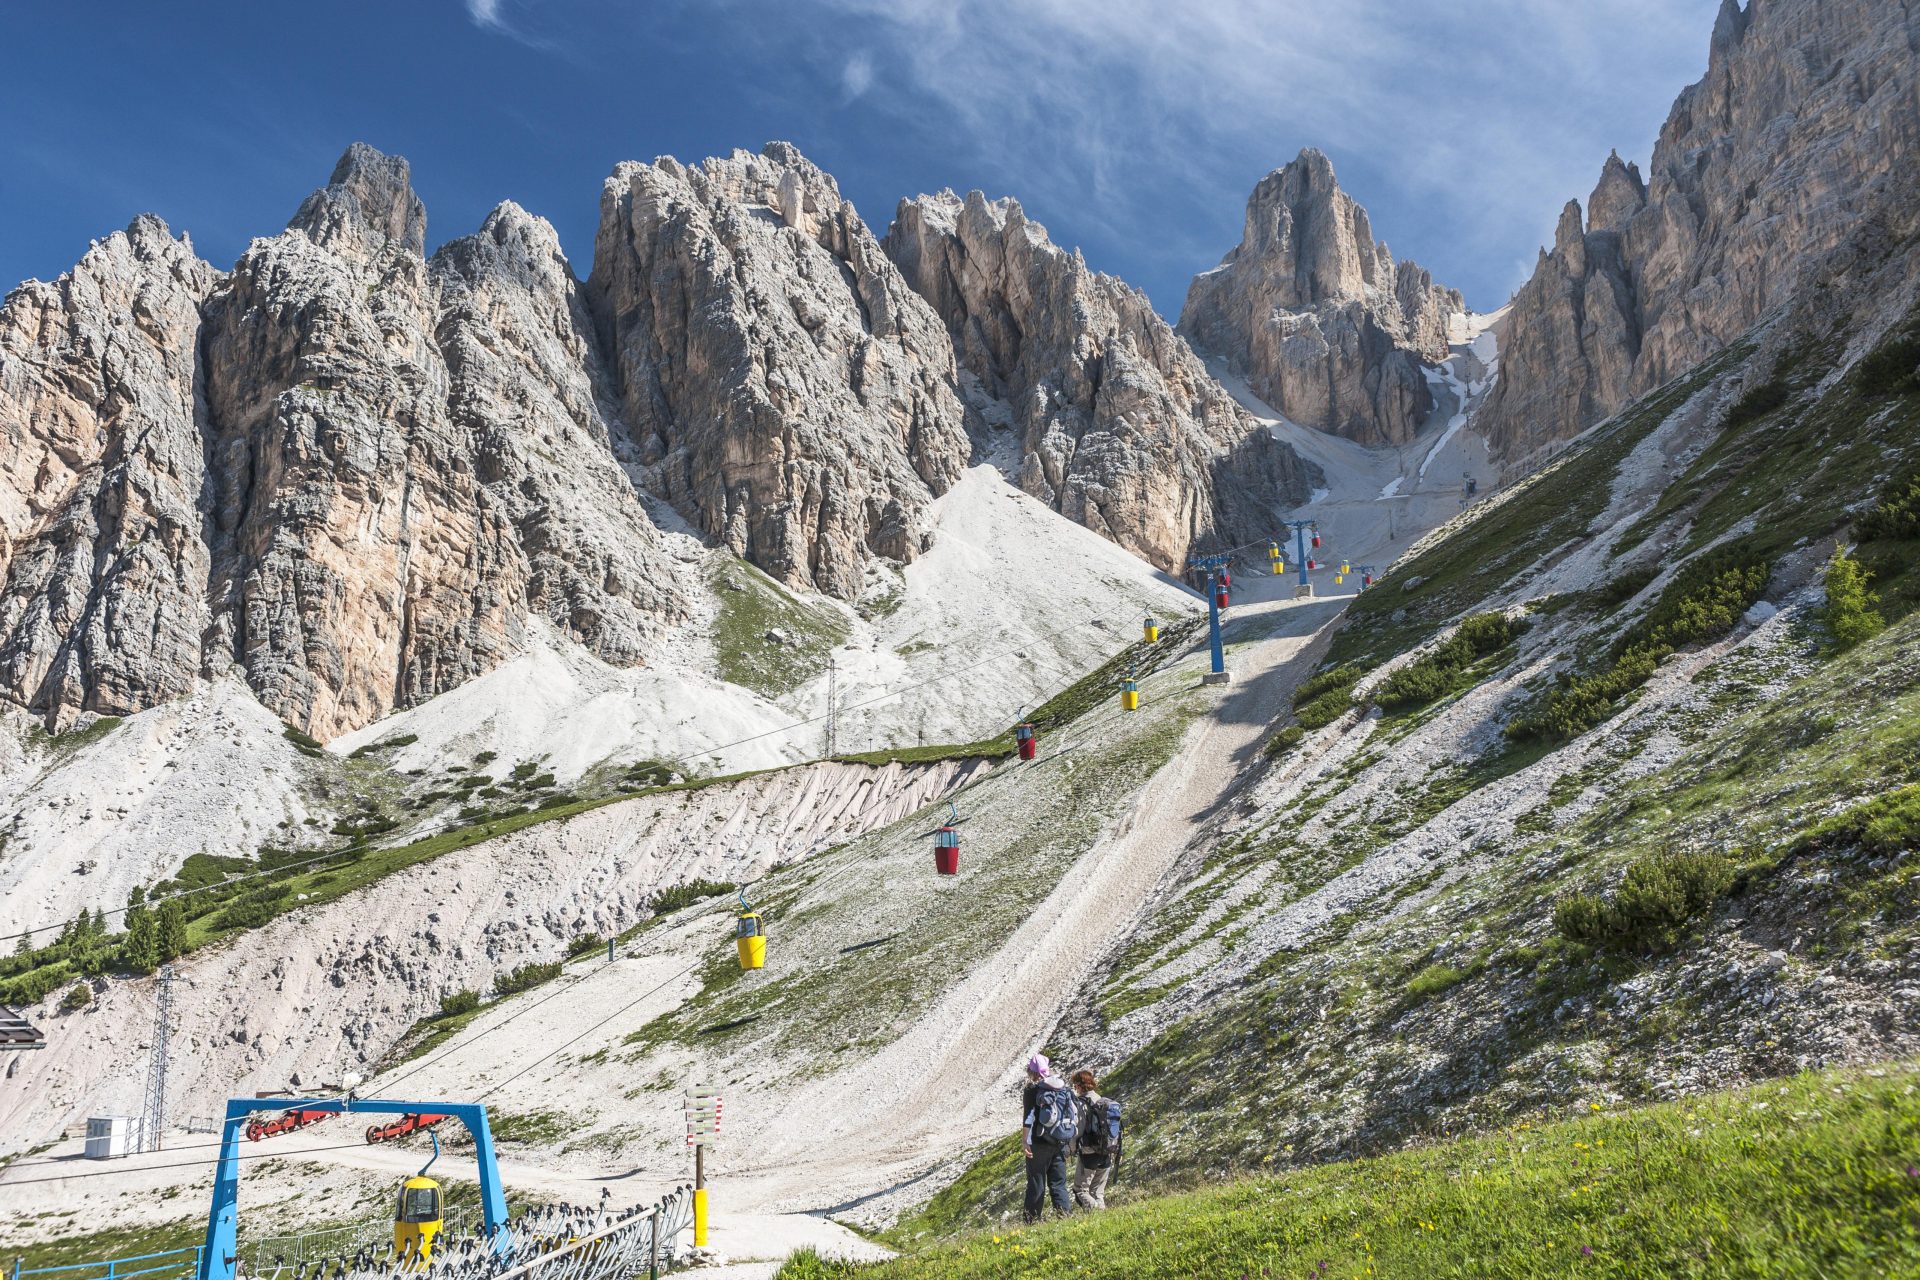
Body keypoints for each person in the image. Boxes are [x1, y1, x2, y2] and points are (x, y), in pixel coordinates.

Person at [1019, 1053, 1075, 1223]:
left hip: (1038, 1143)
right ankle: (1065, 1217)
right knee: (1058, 1183)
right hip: (1059, 1140)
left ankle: (1032, 1221)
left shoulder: (1032, 1090)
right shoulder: (1061, 1087)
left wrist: (1025, 1141)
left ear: (1032, 1071)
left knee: (1036, 1182)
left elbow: (1028, 1117)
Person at [1069, 1069, 1119, 1209]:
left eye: (1075, 1085)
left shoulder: (1081, 1104)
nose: (1075, 1088)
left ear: (1079, 1085)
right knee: (1098, 1193)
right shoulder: (1102, 1100)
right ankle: (1102, 1220)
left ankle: (1097, 1216)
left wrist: (1071, 1149)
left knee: (1081, 1190)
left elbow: (1077, 1129)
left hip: (1089, 1154)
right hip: (1106, 1151)